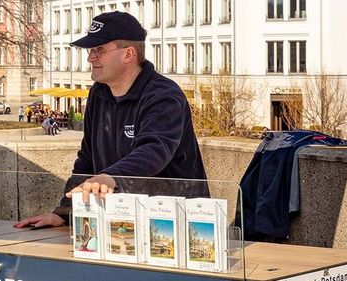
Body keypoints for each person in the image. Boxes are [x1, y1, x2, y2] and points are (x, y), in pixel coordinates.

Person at [14, 12, 207, 230]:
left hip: (174, 223)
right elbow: (87, 160)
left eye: (99, 50)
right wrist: (65, 212)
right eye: (91, 51)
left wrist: (110, 177)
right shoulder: (99, 93)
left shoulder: (164, 95)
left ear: (128, 54)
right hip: (121, 222)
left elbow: (154, 151)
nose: (90, 58)